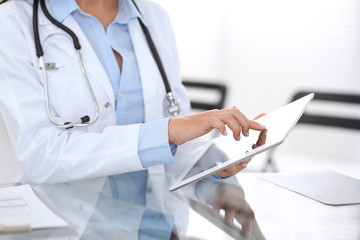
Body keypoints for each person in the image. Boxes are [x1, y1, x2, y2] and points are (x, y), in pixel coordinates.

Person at [0, 0, 266, 238]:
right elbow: (40, 154)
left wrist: (216, 176)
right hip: (66, 225)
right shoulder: (13, 21)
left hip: (153, 226)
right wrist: (166, 133)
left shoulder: (154, 16)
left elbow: (178, 137)